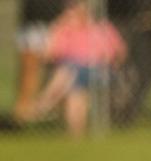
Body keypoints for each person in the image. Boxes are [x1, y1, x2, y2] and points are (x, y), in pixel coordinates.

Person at [25, 0, 126, 137]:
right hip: (75, 74)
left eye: (75, 9)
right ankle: (76, 137)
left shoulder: (102, 28)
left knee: (69, 71)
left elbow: (120, 52)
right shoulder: (65, 31)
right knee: (75, 91)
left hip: (101, 72)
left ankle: (42, 105)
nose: (72, 13)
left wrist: (104, 58)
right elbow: (48, 55)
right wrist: (57, 29)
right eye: (69, 11)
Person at [14, 0, 65, 124]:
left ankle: (34, 111)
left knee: (57, 71)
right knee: (30, 73)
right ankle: (23, 114)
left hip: (53, 27)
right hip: (34, 27)